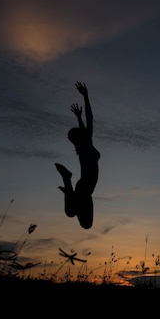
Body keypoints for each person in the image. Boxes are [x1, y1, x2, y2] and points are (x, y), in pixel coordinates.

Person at [55, 81, 101, 229]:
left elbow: (86, 126)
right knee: (80, 220)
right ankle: (68, 183)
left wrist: (79, 118)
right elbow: (90, 119)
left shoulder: (83, 148)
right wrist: (86, 97)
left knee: (71, 213)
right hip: (85, 189)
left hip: (84, 188)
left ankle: (68, 185)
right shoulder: (85, 146)